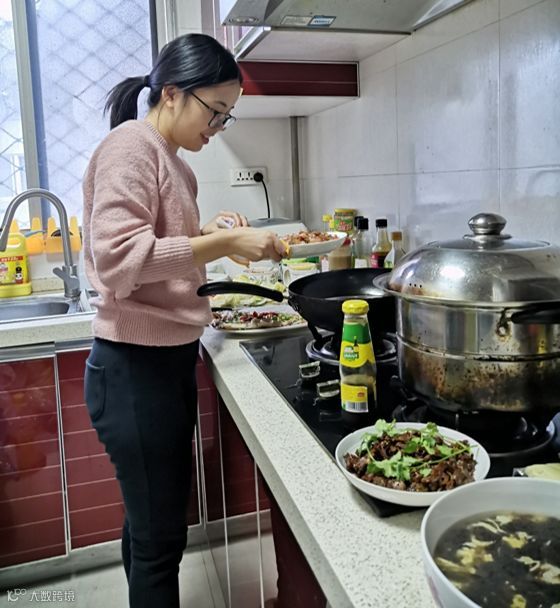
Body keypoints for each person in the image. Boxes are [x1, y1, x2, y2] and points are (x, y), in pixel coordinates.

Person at [82, 33, 286, 608]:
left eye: (227, 116)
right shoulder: (130, 147)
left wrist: (207, 234)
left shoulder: (175, 165)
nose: (217, 127)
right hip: (134, 371)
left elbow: (162, 248)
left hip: (162, 365)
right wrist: (222, 242)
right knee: (160, 541)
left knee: (149, 525)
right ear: (171, 93)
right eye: (214, 111)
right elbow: (118, 260)